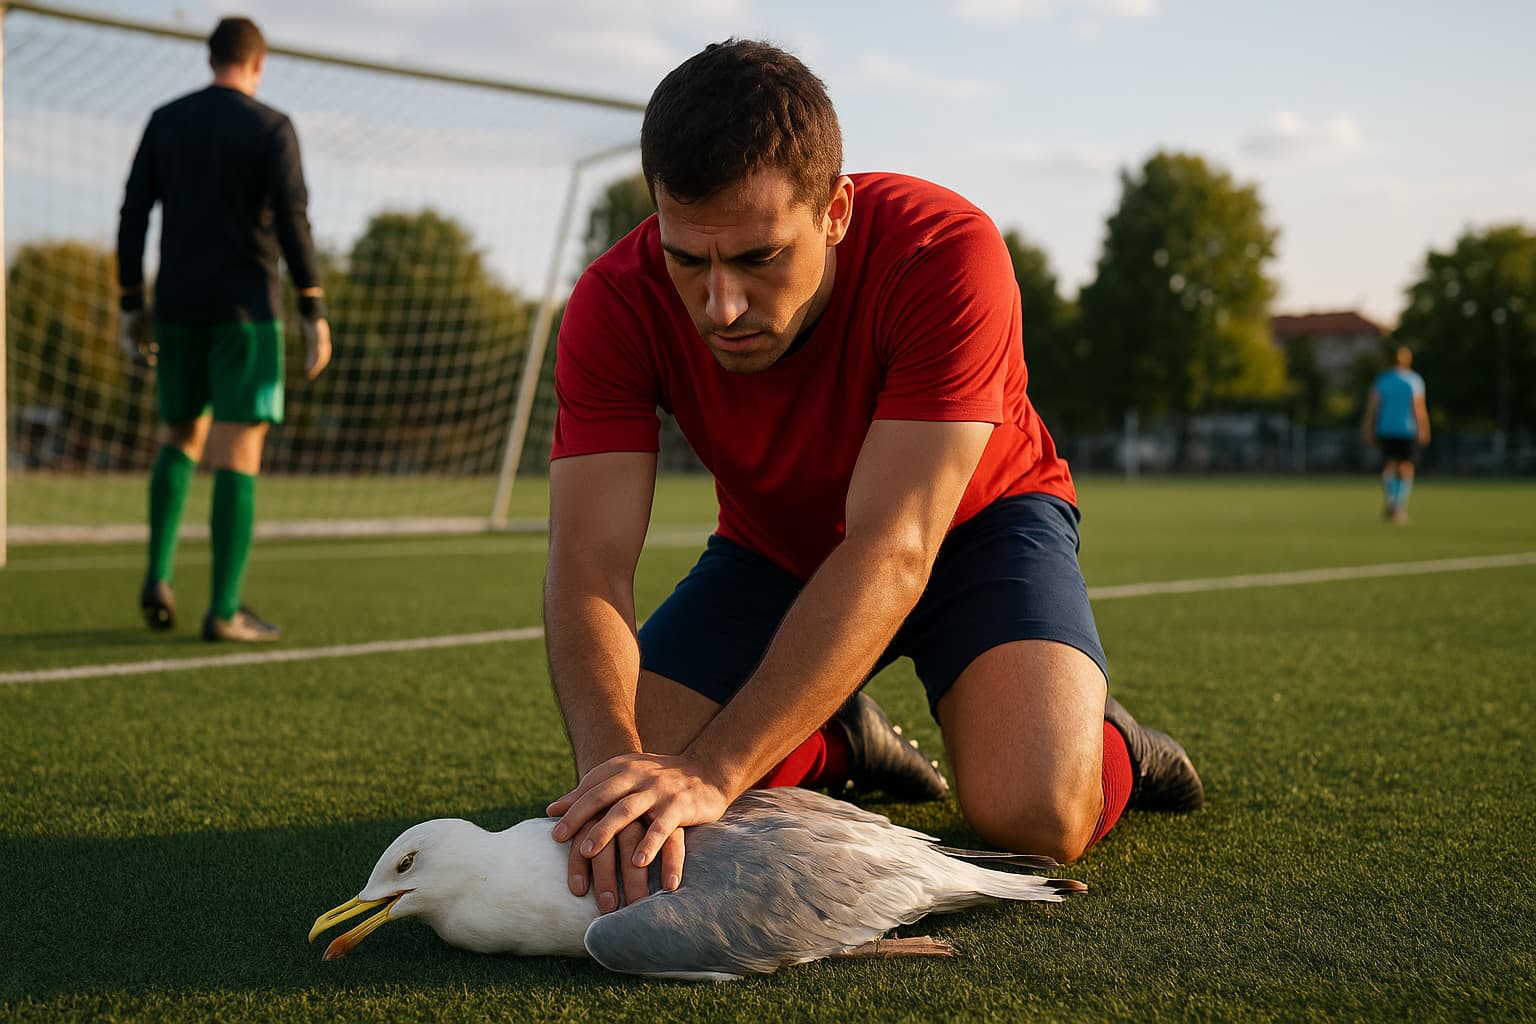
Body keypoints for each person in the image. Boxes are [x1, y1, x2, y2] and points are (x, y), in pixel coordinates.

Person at [543, 39, 1203, 915]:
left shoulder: (946, 251)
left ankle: (1113, 742)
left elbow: (894, 545)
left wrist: (716, 769)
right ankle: (838, 740)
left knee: (1032, 815)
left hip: (977, 530)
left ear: (837, 211)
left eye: (758, 258)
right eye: (688, 258)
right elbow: (588, 563)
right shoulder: (614, 299)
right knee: (643, 780)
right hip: (773, 554)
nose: (721, 305)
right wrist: (610, 775)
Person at [117, 16, 331, 641]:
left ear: (210, 58)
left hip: (177, 305)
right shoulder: (271, 126)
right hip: (247, 312)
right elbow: (294, 219)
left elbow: (133, 211)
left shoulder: (165, 119)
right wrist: (312, 307)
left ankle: (158, 574)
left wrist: (132, 300)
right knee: (238, 450)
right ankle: (224, 609)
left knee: (177, 436)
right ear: (257, 64)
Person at [1361, 345, 1430, 524]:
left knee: (1389, 467)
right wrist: (1424, 427)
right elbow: (1418, 408)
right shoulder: (1414, 380)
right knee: (1405, 468)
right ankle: (1398, 504)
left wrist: (1368, 427)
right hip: (1407, 430)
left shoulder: (1383, 380)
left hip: (1386, 429)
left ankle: (1392, 501)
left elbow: (1372, 408)